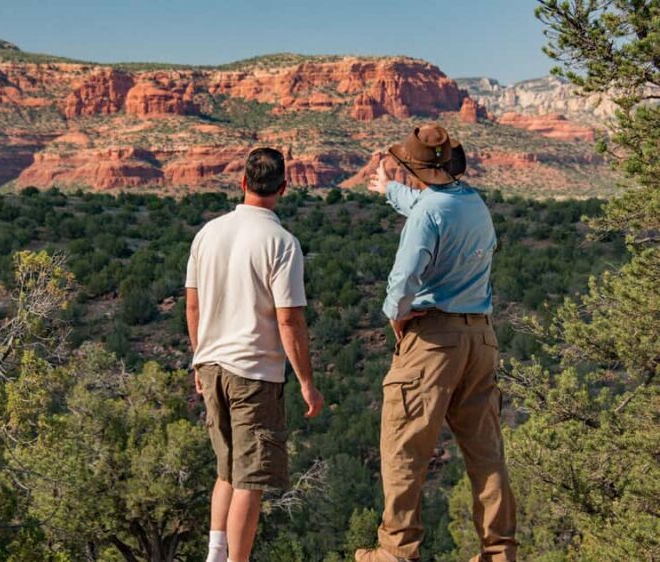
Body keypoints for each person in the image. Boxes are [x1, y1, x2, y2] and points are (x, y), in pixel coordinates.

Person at [355, 124, 517, 562]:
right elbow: (427, 205)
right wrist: (390, 190)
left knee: (405, 446)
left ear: (414, 168)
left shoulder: (428, 213)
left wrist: (396, 314)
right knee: (485, 451)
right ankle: (499, 550)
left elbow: (404, 276)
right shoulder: (473, 202)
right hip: (480, 337)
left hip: (434, 340)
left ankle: (396, 552)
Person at [185, 147, 324, 562]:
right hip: (254, 372)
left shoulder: (208, 233)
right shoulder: (282, 243)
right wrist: (306, 381)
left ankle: (215, 555)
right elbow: (289, 320)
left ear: (243, 182)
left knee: (226, 468)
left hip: (211, 365)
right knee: (250, 478)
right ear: (284, 187)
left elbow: (192, 305)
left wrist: (198, 357)